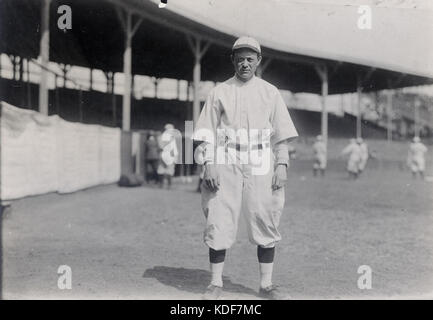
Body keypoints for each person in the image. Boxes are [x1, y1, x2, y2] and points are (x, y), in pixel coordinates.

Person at [193, 36, 298, 300]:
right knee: (219, 217)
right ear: (233, 60)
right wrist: (208, 164)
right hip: (225, 158)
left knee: (265, 217)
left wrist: (282, 164)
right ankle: (215, 283)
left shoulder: (270, 92)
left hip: (261, 160)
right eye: (240, 59)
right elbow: (205, 133)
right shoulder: (219, 92)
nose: (245, 64)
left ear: (258, 61)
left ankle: (265, 286)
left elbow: (280, 135)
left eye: (250, 59)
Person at [157, 124, 178, 189]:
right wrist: (175, 158)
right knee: (169, 170)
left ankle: (161, 184)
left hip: (163, 154)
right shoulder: (171, 138)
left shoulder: (160, 137)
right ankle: (168, 185)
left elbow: (160, 147)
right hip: (168, 155)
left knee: (161, 169)